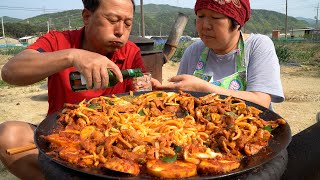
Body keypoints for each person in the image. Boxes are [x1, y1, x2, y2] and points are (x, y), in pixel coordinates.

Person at [0, 0, 145, 179]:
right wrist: (72, 55)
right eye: (113, 20)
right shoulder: (57, 41)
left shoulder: (131, 52)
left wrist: (145, 88)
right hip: (63, 137)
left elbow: (142, 106)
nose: (120, 31)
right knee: (9, 135)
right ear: (87, 16)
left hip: (115, 143)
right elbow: (10, 72)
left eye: (128, 24)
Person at [155, 0, 284, 109]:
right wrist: (158, 91)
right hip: (197, 134)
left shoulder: (257, 46)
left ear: (237, 22)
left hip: (247, 133)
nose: (205, 26)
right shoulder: (193, 51)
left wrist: (205, 89)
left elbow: (261, 101)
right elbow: (179, 98)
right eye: (200, 16)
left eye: (215, 17)